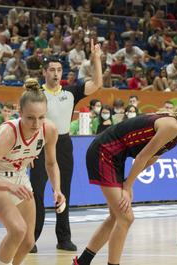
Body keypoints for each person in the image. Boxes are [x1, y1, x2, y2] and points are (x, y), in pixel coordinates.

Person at [73, 99, 177, 265]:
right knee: (126, 217)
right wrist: (127, 186)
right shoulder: (171, 126)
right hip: (104, 151)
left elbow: (151, 160)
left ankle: (81, 262)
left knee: (117, 216)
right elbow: (142, 157)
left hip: (116, 157)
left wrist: (128, 182)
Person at [0, 78, 66, 265]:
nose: (36, 124)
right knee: (17, 230)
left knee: (28, 241)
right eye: (30, 118)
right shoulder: (8, 133)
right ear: (20, 112)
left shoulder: (49, 130)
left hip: (19, 177)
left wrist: (57, 189)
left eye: (41, 117)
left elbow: (51, 163)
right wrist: (9, 187)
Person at [30, 40, 103, 253]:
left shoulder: (71, 92)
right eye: (51, 69)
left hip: (63, 144)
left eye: (59, 69)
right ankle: (30, 238)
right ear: (44, 72)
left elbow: (97, 83)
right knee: (36, 193)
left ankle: (63, 238)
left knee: (63, 192)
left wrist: (96, 58)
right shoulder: (36, 94)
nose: (55, 73)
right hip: (39, 145)